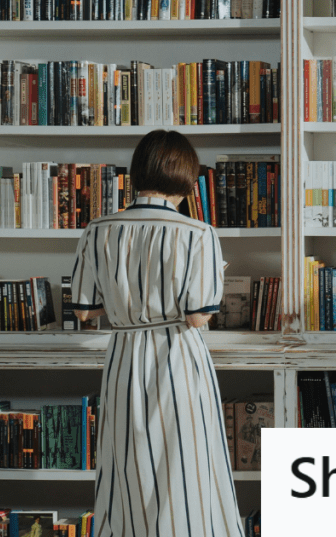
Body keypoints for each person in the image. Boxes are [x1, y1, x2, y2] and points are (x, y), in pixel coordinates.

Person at [71, 130, 243, 536]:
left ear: (137, 173)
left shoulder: (98, 229)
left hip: (124, 357)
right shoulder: (198, 233)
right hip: (176, 356)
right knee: (187, 470)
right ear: (185, 176)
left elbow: (85, 311)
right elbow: (199, 316)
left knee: (127, 468)